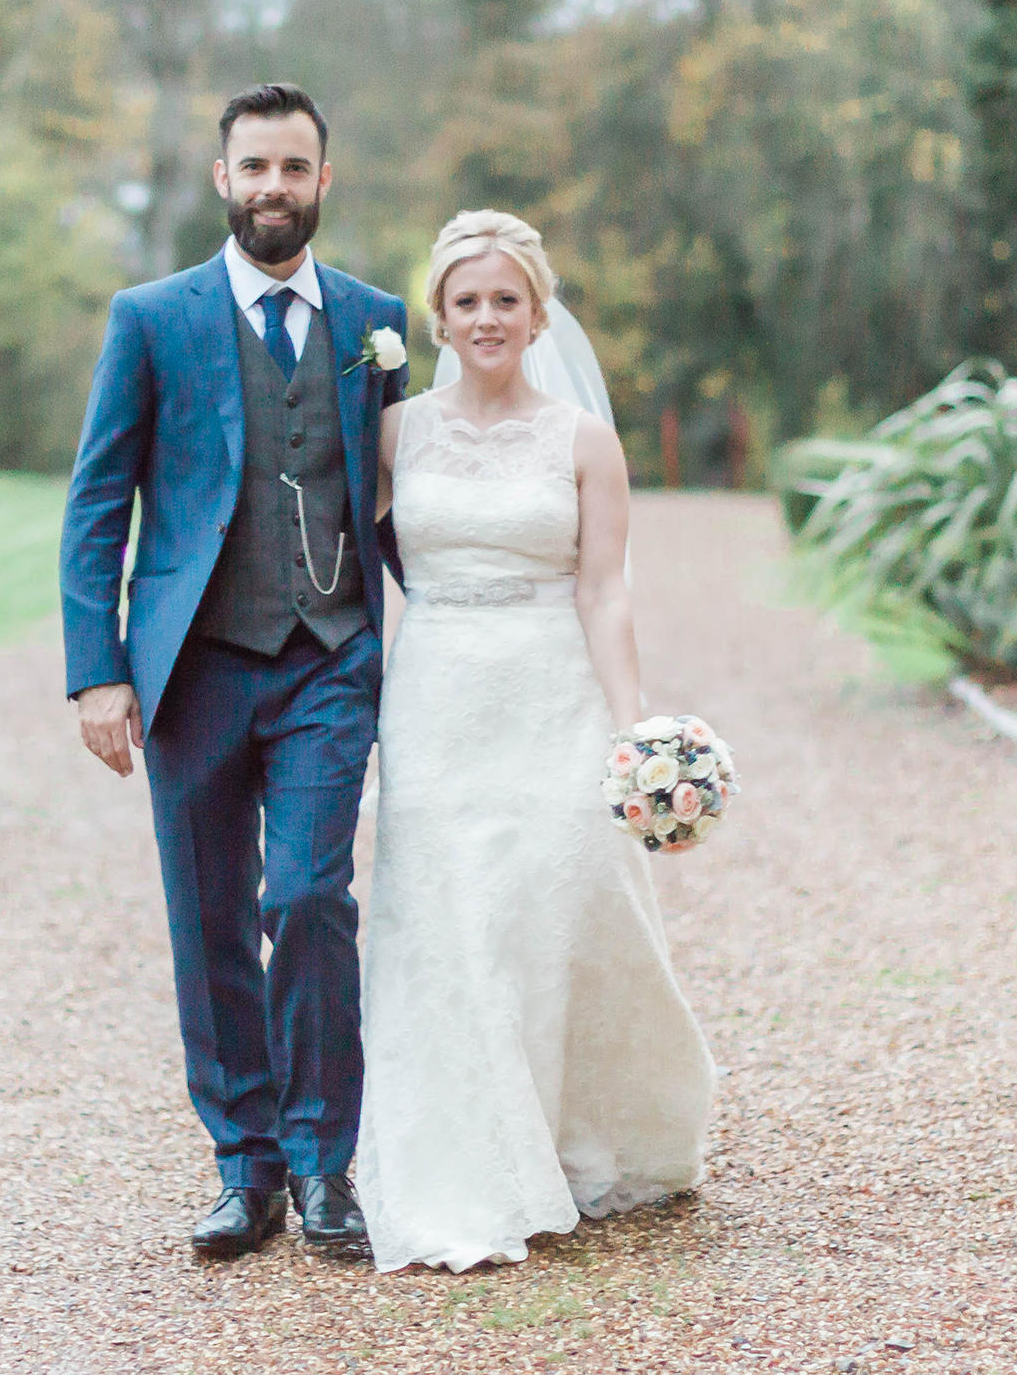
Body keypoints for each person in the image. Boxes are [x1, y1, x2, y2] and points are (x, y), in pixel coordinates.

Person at [59, 83, 410, 1261]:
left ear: (324, 181)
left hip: (330, 656)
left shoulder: (375, 321)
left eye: (294, 169)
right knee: (207, 916)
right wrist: (95, 671)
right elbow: (98, 500)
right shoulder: (151, 318)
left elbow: (405, 503)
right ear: (222, 179)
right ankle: (242, 1166)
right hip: (194, 666)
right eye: (253, 168)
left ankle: (322, 1165)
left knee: (307, 898)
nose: (273, 188)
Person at [358, 209, 713, 1273]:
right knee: (446, 919)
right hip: (433, 701)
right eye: (465, 301)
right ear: (438, 316)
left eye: (504, 299)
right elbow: (342, 565)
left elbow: (602, 592)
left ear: (537, 310)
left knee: (549, 911)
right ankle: (463, 1163)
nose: (485, 318)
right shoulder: (396, 433)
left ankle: (557, 1136)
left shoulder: (581, 440)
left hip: (549, 693)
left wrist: (634, 733)